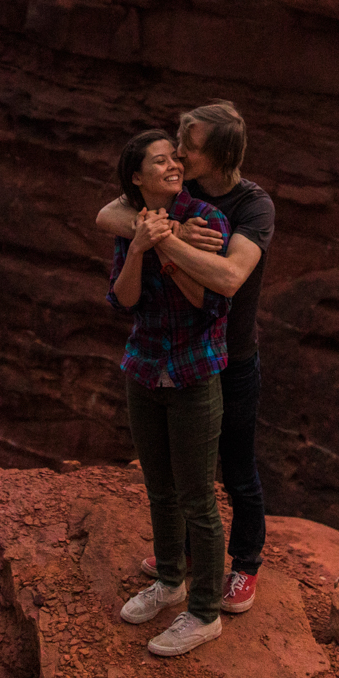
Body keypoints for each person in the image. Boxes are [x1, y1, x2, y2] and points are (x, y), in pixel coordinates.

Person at [96, 101, 274, 617]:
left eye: (188, 144)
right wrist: (162, 231)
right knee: (184, 472)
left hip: (230, 353)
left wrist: (165, 238)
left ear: (215, 155)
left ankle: (245, 563)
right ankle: (187, 559)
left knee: (236, 466)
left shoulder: (252, 207)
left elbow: (228, 279)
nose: (176, 151)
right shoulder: (182, 191)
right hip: (169, 352)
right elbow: (109, 213)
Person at [107, 129, 234, 657]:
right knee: (158, 487)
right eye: (159, 162)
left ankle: (204, 612)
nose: (172, 165)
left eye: (173, 159)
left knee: (198, 499)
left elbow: (211, 304)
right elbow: (123, 300)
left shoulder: (208, 220)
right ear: (138, 177)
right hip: (143, 370)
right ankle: (169, 582)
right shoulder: (132, 223)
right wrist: (138, 246)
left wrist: (169, 246)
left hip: (193, 373)